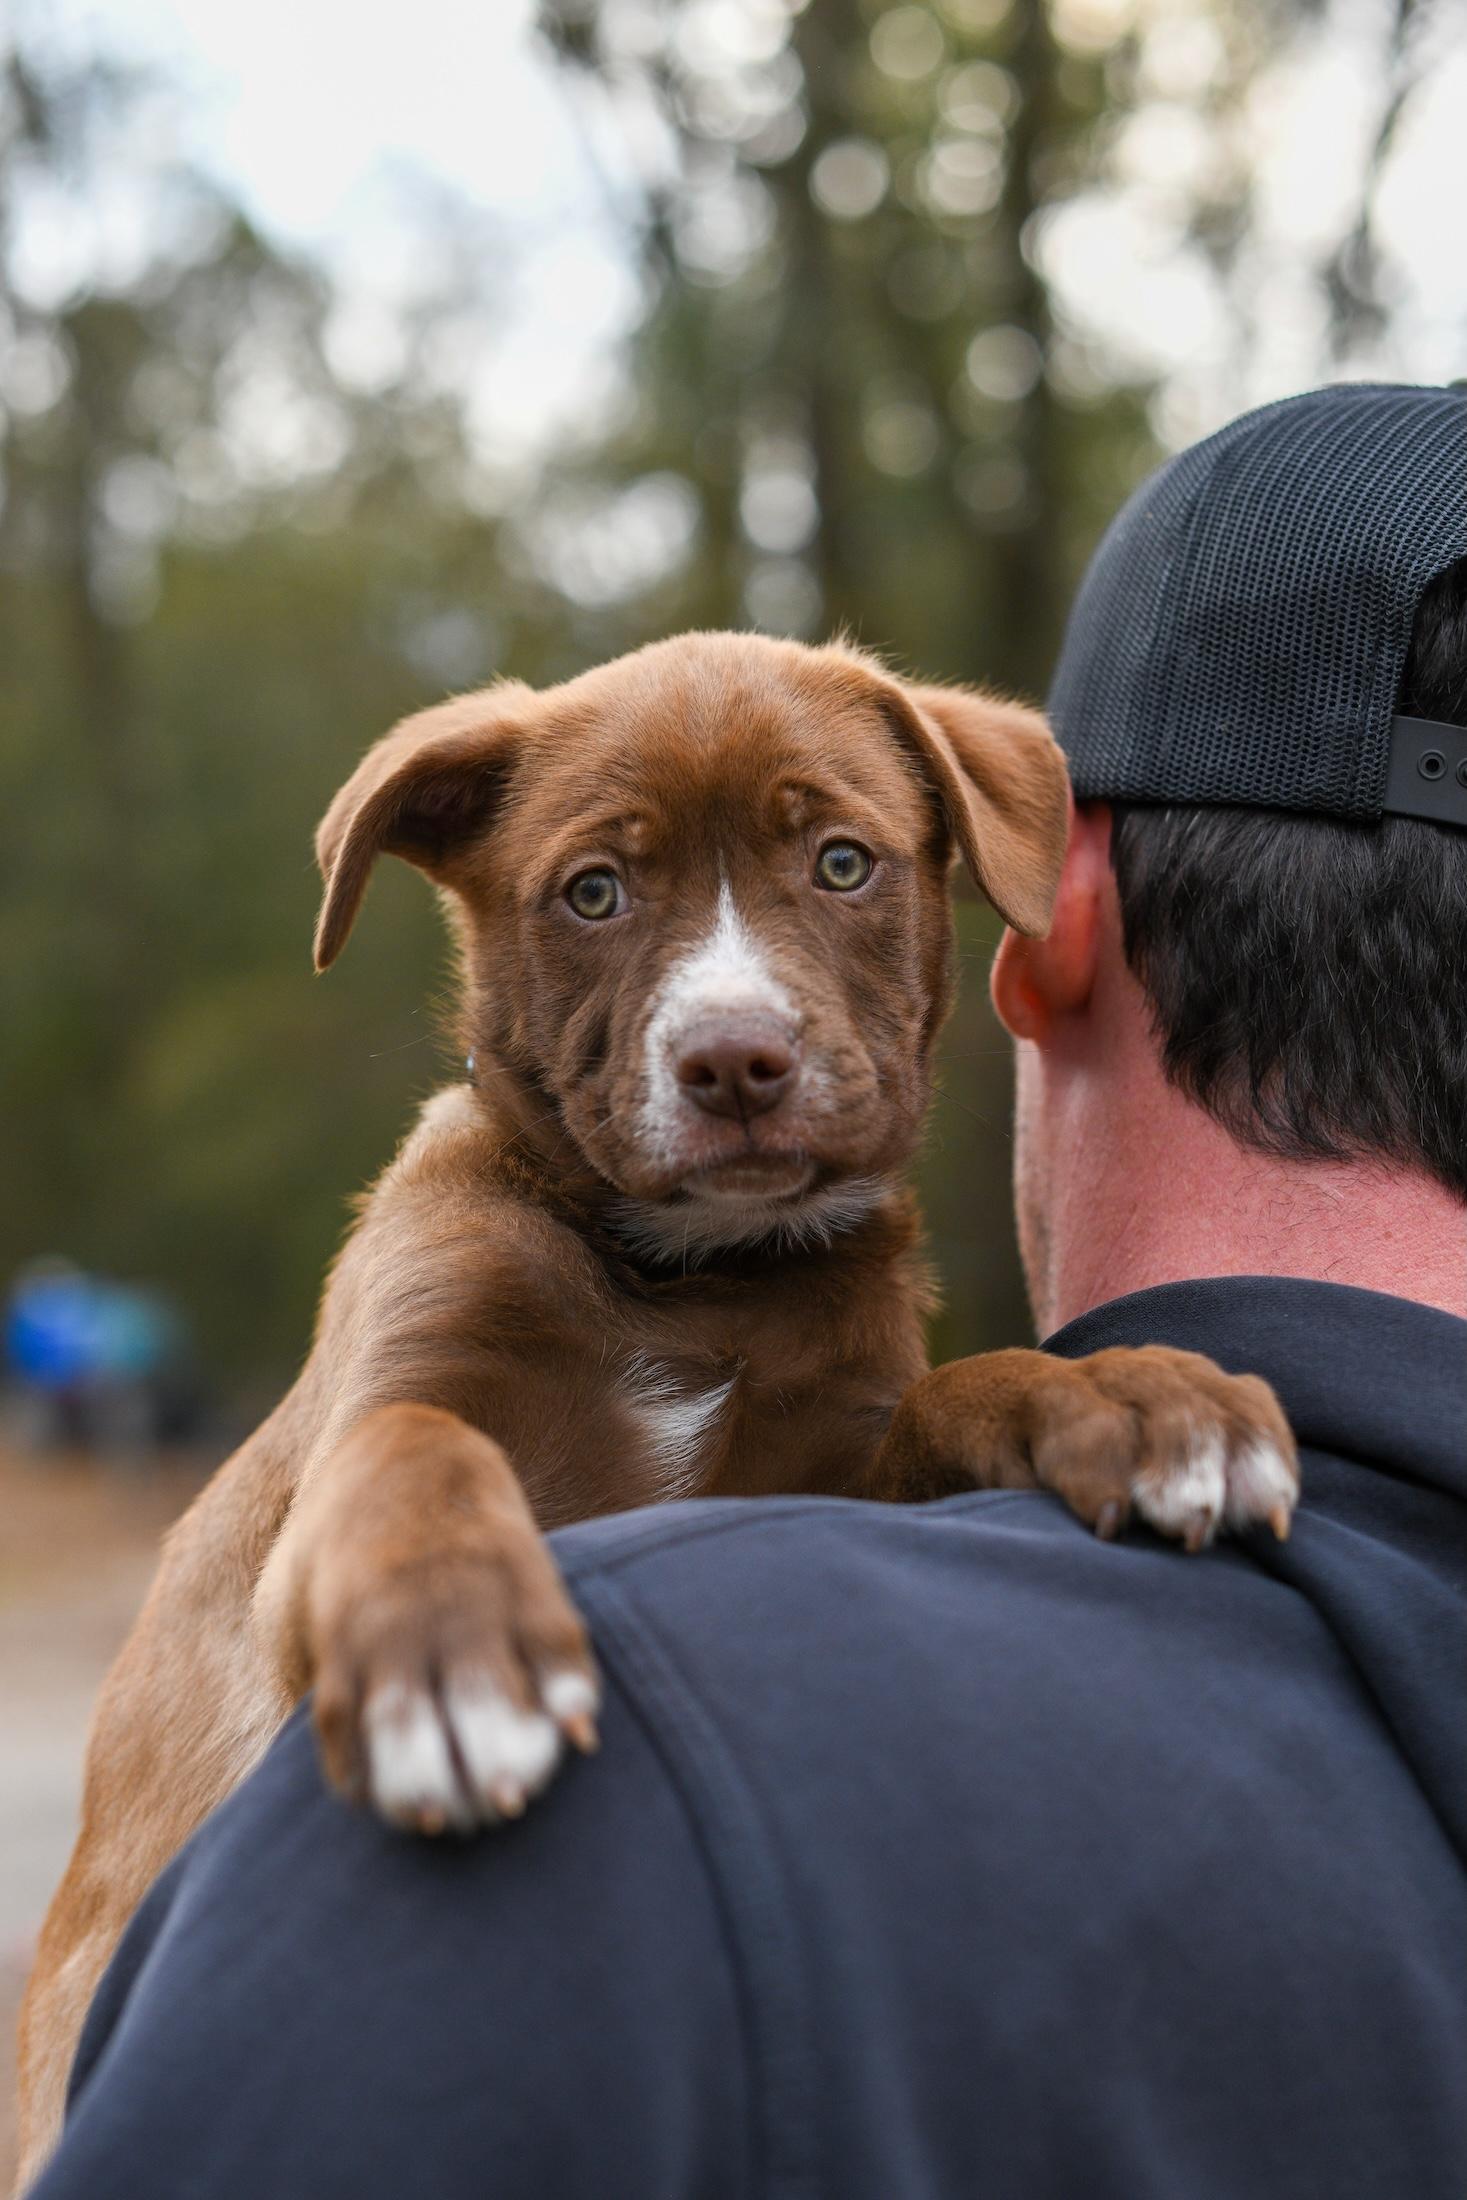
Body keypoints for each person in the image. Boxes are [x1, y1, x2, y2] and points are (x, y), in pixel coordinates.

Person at [30, 384, 1467, 2200]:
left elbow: (849, 1526)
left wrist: (991, 1408)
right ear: (452, 873)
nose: (736, 1014)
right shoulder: (462, 1234)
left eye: (840, 865)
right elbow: (360, 1493)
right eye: (601, 890)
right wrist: (413, 1485)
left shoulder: (855, 1291)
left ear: (1013, 890)